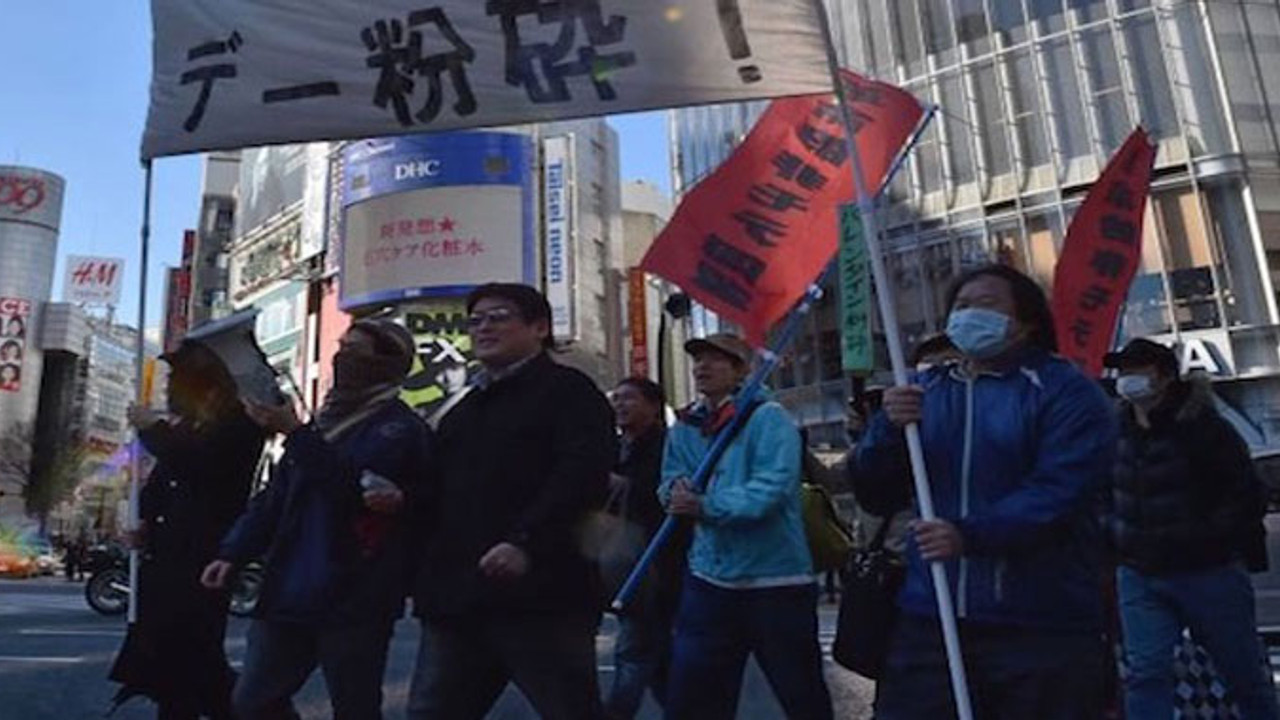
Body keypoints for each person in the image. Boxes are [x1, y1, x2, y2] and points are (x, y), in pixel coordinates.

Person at [856, 264, 1117, 719]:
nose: (970, 315)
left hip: (1039, 621)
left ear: (1027, 321)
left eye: (987, 304)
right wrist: (885, 430)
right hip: (931, 616)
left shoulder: (1066, 392)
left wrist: (969, 534)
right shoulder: (924, 393)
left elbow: (1060, 491)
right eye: (961, 306)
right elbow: (875, 492)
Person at [199, 319, 430, 720]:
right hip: (287, 590)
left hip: (355, 596)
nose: (342, 357)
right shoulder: (320, 424)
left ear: (388, 363)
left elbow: (353, 491)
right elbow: (274, 499)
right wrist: (233, 551)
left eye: (356, 351)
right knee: (251, 702)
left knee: (354, 706)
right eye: (341, 346)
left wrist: (295, 433)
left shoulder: (399, 429)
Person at [407, 283, 616, 720]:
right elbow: (438, 492)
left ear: (539, 327)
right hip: (458, 598)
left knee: (571, 709)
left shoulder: (570, 392)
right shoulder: (462, 408)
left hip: (544, 596)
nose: (483, 328)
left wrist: (525, 540)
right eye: (475, 320)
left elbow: (581, 477)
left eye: (498, 316)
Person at [660, 333, 833, 720]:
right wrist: (675, 493)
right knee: (693, 698)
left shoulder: (768, 418)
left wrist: (706, 506)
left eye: (716, 360)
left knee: (801, 694)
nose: (702, 366)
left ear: (742, 371)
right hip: (708, 578)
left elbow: (771, 488)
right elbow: (670, 478)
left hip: (776, 581)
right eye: (698, 359)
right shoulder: (686, 424)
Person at [1105, 338, 1278, 719]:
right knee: (1145, 672)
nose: (1128, 379)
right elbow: (1105, 492)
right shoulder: (1116, 430)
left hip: (1207, 571)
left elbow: (1246, 493)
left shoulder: (1205, 429)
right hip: (1139, 572)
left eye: (1138, 370)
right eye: (1123, 370)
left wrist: (1207, 538)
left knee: (1242, 671)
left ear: (1165, 376)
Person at [108, 342, 267, 720]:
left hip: (203, 557)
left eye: (179, 381)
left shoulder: (240, 425)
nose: (170, 390)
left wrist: (154, 429)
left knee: (192, 657)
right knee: (178, 663)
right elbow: (165, 480)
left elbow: (198, 467)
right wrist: (145, 518)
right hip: (167, 556)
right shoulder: (193, 425)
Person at [603, 377, 679, 720]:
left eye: (629, 398)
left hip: (657, 562)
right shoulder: (616, 447)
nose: (620, 405)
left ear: (653, 405)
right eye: (616, 398)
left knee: (634, 651)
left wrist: (625, 486)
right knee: (656, 658)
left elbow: (660, 496)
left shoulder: (666, 447)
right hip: (626, 562)